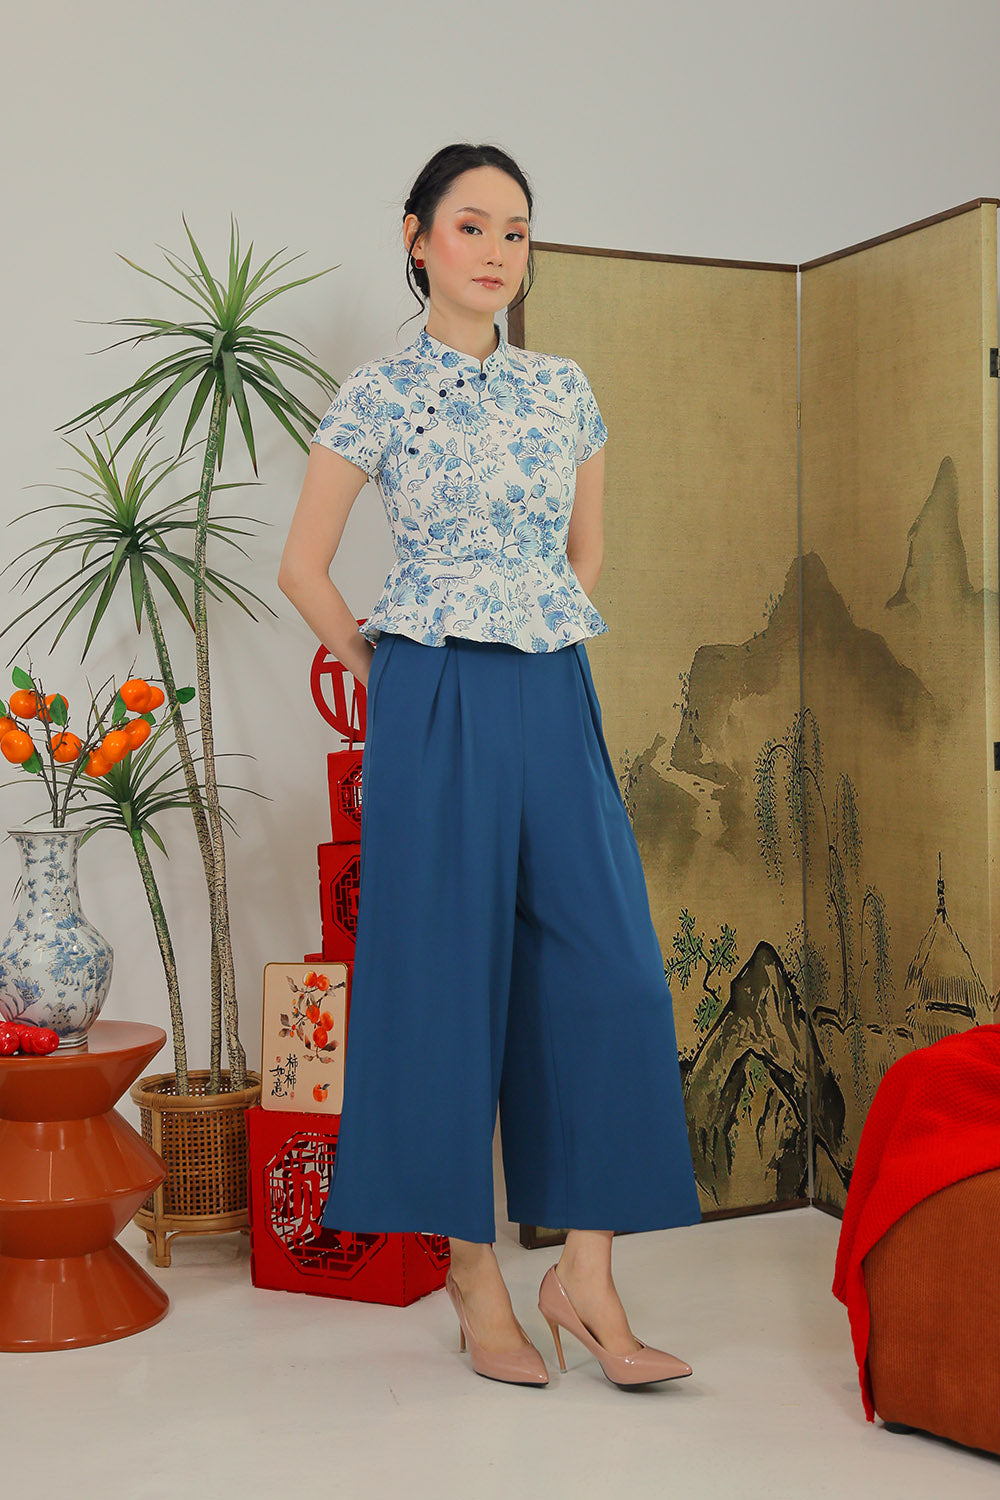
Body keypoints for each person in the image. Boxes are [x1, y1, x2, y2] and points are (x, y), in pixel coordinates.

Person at [278, 142, 701, 1388]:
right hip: (432, 690)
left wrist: (529, 631)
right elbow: (303, 566)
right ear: (417, 238)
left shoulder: (563, 388)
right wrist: (388, 668)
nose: (498, 252)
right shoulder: (377, 392)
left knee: (612, 971)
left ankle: (586, 1275)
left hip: (551, 684)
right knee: (442, 978)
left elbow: (585, 555)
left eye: (516, 231)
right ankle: (473, 1277)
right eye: (471, 226)